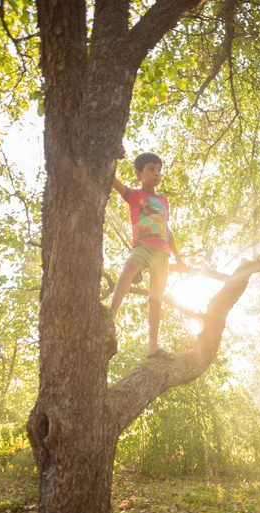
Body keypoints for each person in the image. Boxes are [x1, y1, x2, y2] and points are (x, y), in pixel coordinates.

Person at [111, 148, 183, 359]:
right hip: (143, 246)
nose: (157, 173)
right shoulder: (135, 195)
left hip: (162, 255)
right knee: (130, 266)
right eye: (151, 169)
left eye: (159, 169)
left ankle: (153, 346)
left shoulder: (163, 201)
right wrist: (113, 155)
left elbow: (166, 229)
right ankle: (111, 314)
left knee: (156, 299)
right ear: (139, 174)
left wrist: (178, 257)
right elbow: (112, 180)